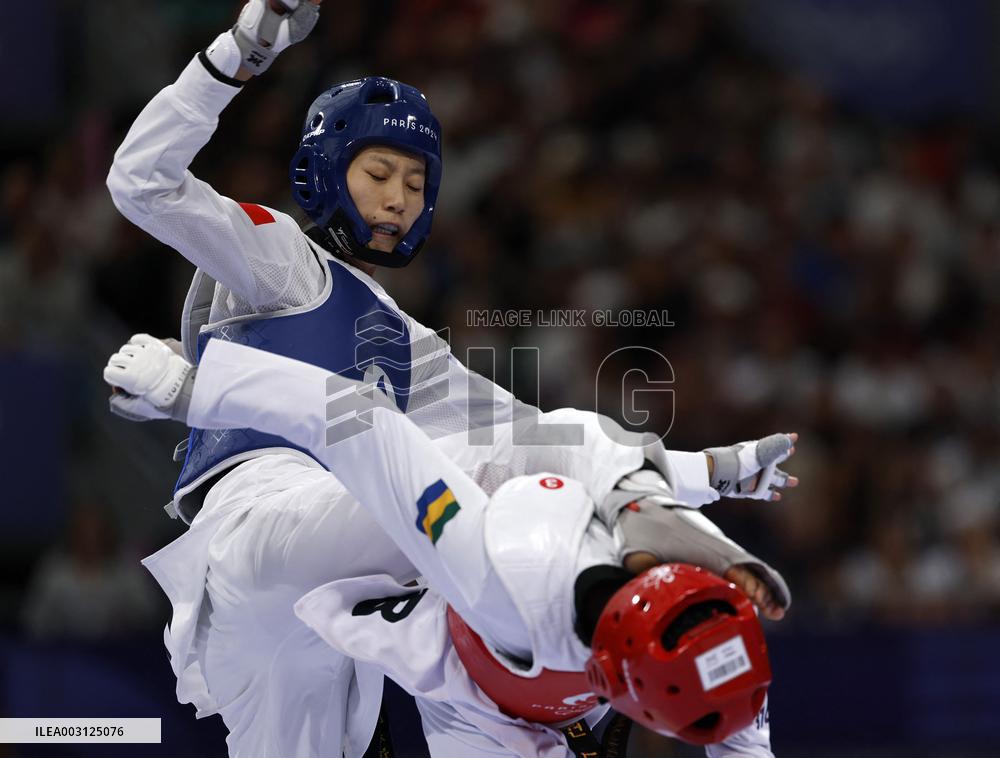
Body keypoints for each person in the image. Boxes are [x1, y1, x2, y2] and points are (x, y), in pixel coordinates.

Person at [104, 1, 796, 755]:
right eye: (378, 173)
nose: (397, 198)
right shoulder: (283, 259)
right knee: (513, 491)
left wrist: (713, 472)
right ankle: (605, 620)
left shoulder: (405, 343)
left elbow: (542, 438)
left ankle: (564, 674)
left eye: (414, 182)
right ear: (324, 170)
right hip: (265, 529)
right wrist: (239, 53)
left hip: (289, 604)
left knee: (528, 456)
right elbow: (141, 182)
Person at [105, 335, 792, 757]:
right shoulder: (494, 571)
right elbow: (360, 420)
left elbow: (739, 735)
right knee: (549, 442)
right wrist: (191, 390)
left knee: (590, 451)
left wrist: (714, 477)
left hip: (535, 686)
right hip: (466, 682)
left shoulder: (717, 623)